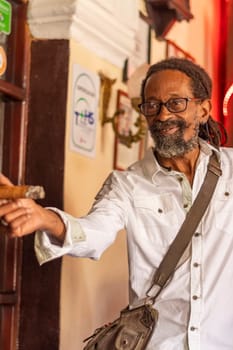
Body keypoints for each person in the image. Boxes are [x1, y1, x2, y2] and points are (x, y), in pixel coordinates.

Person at [0, 57, 232, 350]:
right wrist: (46, 219)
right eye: (152, 105)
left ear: (203, 110)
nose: (162, 116)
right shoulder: (127, 184)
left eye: (176, 103)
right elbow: (94, 232)